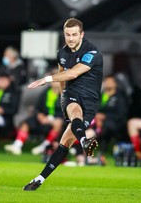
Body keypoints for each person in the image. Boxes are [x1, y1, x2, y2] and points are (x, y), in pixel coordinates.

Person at [23, 18, 103, 191]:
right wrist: (62, 96)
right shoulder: (62, 52)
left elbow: (73, 73)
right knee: (75, 112)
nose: (71, 38)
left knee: (65, 141)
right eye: (67, 34)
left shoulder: (92, 52)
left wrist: (47, 79)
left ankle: (39, 179)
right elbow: (62, 73)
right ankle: (84, 142)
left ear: (82, 34)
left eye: (74, 34)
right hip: (72, 94)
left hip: (90, 100)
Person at [4, 80, 63, 155]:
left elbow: (64, 111)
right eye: (53, 80)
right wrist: (40, 115)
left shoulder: (64, 94)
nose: (54, 82)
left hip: (56, 119)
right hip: (42, 117)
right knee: (26, 123)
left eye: (56, 80)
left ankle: (44, 146)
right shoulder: (45, 92)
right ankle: (17, 145)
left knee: (58, 123)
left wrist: (51, 119)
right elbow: (38, 107)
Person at [92, 75, 129, 165]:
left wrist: (105, 116)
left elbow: (121, 114)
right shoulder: (101, 96)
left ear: (115, 84)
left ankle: (101, 153)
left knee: (105, 129)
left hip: (116, 124)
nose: (107, 83)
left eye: (110, 81)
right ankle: (88, 156)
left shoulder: (119, 97)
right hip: (100, 123)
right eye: (106, 81)